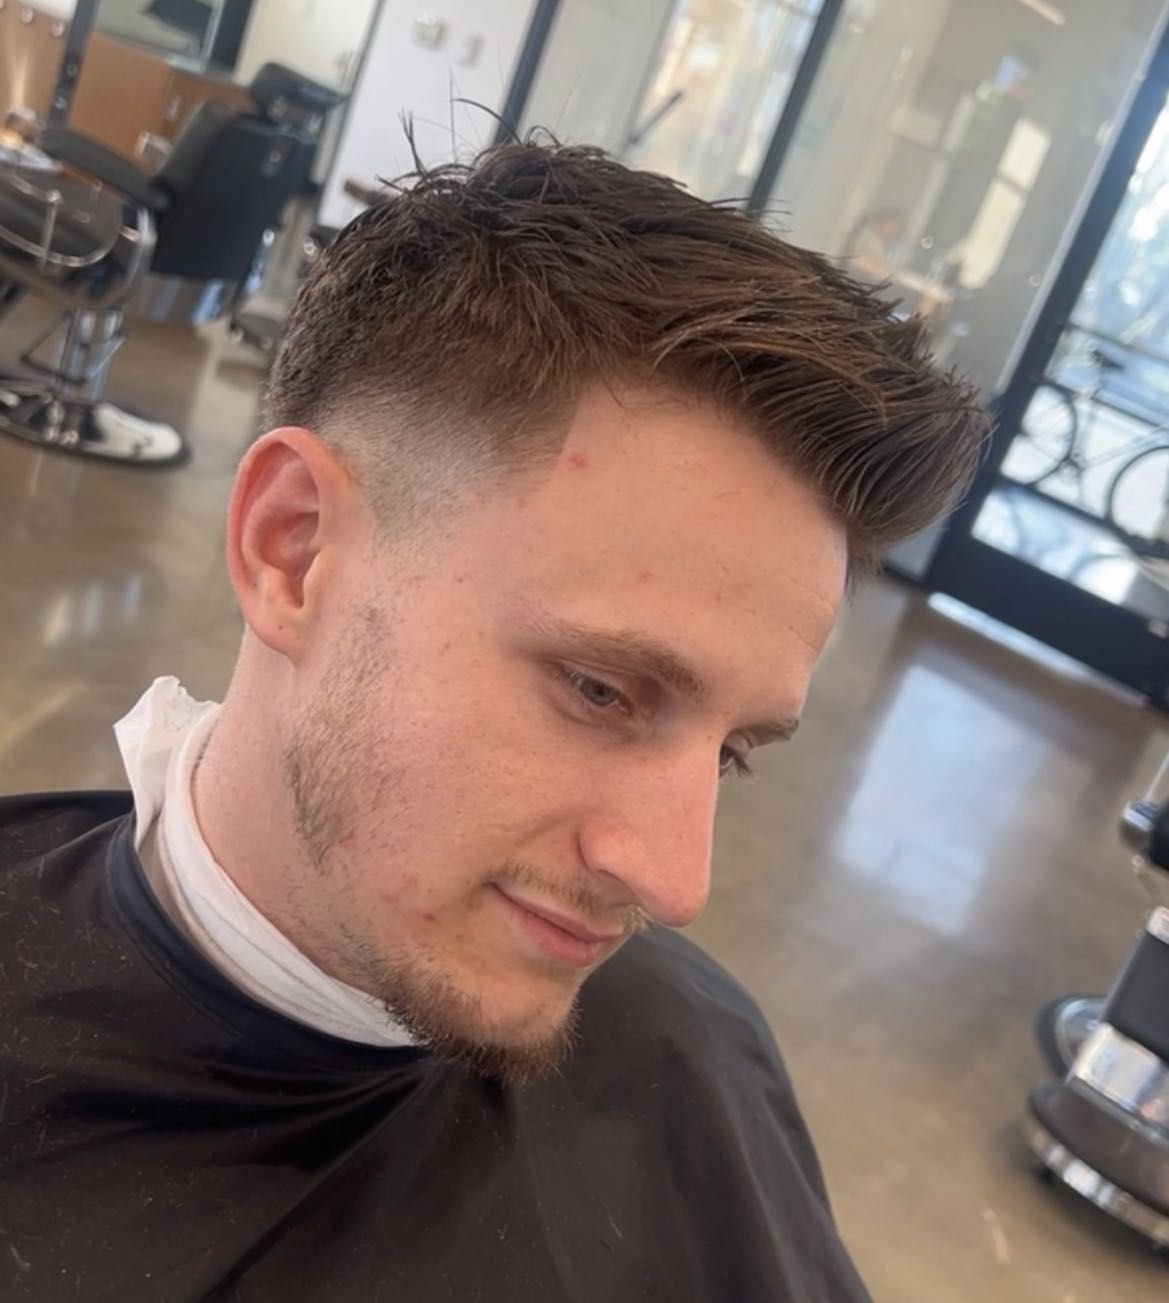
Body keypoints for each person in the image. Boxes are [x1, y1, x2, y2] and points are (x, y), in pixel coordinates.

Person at [0, 141, 987, 1301]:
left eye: (731, 754)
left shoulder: (688, 1044)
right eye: (599, 689)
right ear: (293, 548)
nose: (673, 885)